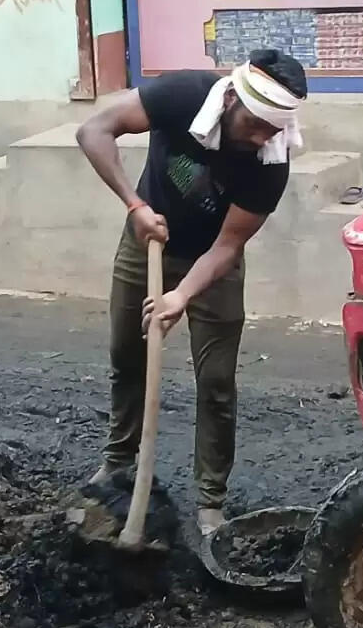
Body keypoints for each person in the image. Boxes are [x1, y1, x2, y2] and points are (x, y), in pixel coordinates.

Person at [77, 49, 307, 536]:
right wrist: (135, 204)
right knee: (127, 356)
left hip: (213, 265)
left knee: (218, 383)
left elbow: (228, 245)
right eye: (255, 124)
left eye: (273, 129)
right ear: (230, 100)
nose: (263, 137)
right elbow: (93, 131)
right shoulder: (182, 94)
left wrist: (181, 296)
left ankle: (210, 500)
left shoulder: (271, 160)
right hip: (146, 243)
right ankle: (118, 463)